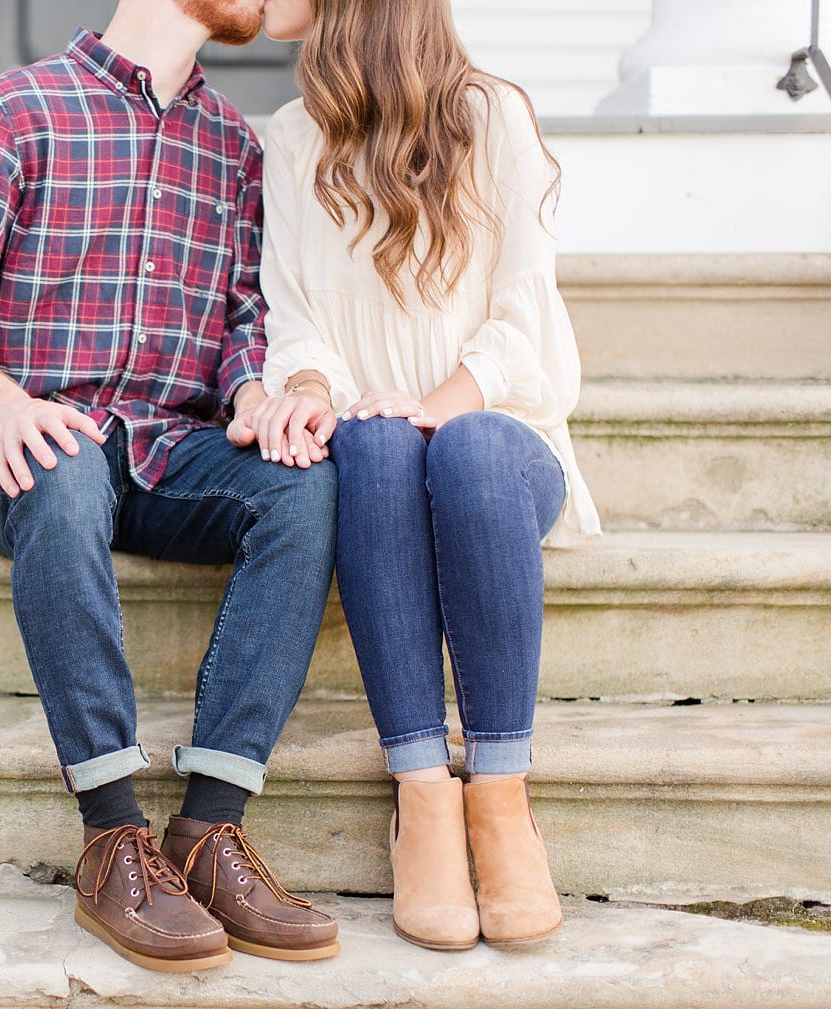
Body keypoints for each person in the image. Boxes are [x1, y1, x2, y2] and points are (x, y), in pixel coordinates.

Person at [0, 0, 342, 973]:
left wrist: (260, 395)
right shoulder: (17, 108)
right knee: (64, 462)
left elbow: (237, 323)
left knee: (303, 486)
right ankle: (111, 835)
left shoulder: (233, 147)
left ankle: (207, 832)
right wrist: (6, 404)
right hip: (22, 448)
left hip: (168, 449)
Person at [243, 0, 603, 952]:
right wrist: (313, 384)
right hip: (379, 454)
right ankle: (421, 797)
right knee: (374, 447)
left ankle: (499, 794)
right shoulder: (288, 138)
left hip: (499, 448)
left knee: (464, 443)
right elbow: (290, 310)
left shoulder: (492, 117)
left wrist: (436, 398)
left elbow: (525, 319)